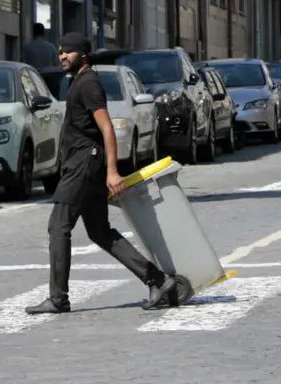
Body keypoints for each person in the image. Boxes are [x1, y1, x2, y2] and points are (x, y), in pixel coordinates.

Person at [26, 33, 186, 315]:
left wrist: (112, 172)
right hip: (85, 163)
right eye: (61, 52)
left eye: (69, 52)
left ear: (83, 56)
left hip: (84, 164)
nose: (62, 56)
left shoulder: (88, 83)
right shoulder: (79, 81)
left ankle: (58, 299)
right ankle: (158, 281)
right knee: (99, 231)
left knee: (58, 226)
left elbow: (107, 129)